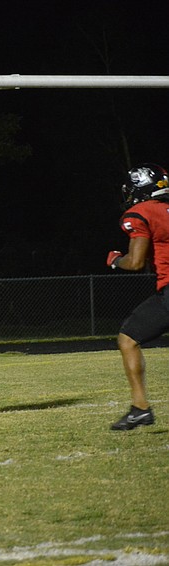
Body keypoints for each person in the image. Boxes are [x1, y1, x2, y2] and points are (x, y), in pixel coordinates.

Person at [106, 162, 169, 430]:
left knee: (128, 339)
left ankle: (141, 408)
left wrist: (115, 260)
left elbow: (135, 262)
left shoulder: (140, 213)